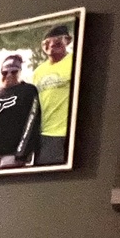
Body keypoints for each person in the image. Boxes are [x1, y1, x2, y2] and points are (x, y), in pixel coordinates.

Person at [0, 54, 39, 169]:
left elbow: (32, 122)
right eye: (5, 72)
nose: (9, 75)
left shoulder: (28, 91)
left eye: (13, 72)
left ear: (19, 71)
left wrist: (21, 153)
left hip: (14, 154)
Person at [32, 23, 75, 166]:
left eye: (57, 42)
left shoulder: (76, 62)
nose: (51, 45)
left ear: (67, 40)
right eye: (46, 43)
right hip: (44, 135)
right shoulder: (38, 71)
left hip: (66, 132)